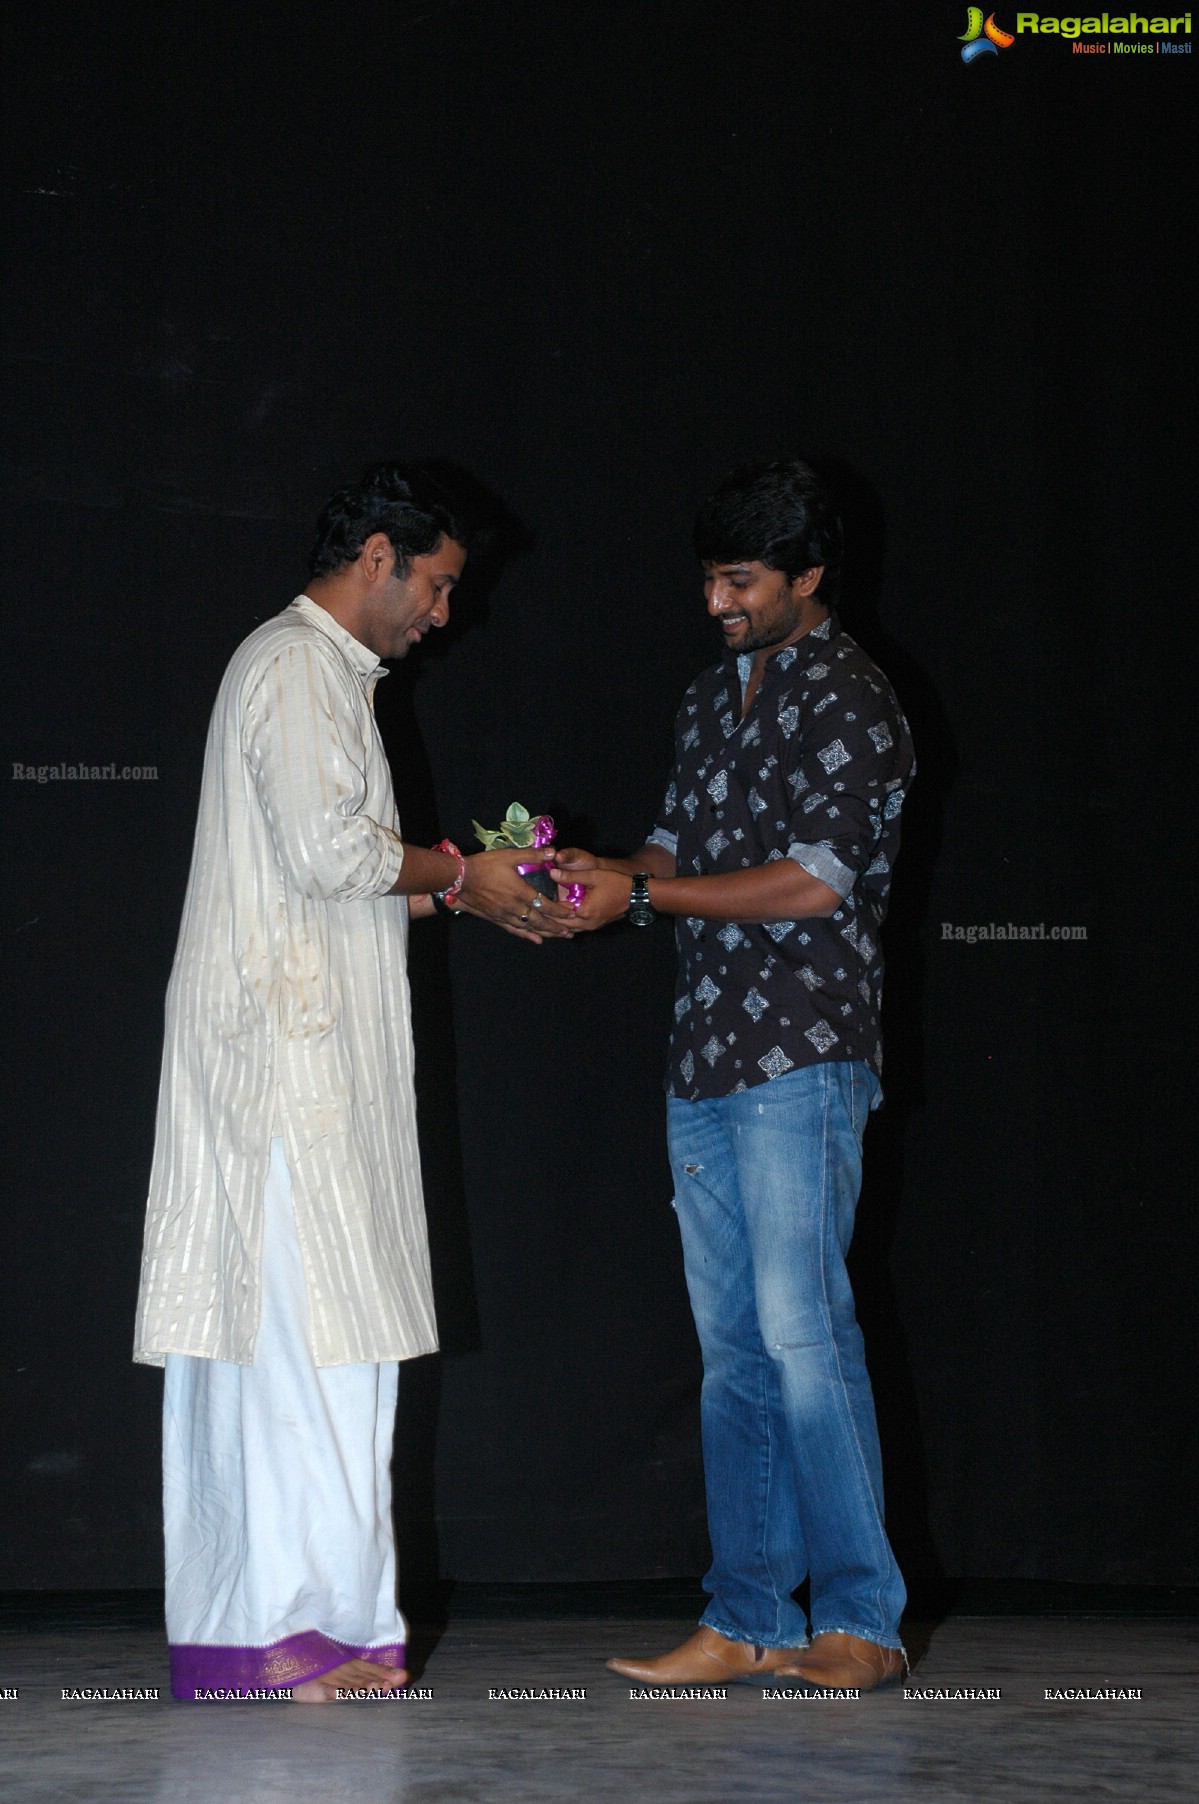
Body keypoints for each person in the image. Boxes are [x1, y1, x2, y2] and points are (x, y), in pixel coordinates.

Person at [134, 463, 576, 1703]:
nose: (443, 614)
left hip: (312, 1070)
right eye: (435, 585)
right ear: (378, 555)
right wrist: (461, 877)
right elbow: (332, 853)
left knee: (332, 1357)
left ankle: (314, 1632)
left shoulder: (327, 679)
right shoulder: (288, 665)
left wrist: (472, 887)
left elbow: (339, 860)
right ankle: (269, 1640)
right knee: (287, 1356)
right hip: (277, 1078)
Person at [551, 459, 914, 1692]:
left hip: (802, 1055)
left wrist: (646, 892)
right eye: (707, 575)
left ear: (806, 578)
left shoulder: (854, 699)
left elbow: (816, 878)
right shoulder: (709, 699)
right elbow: (674, 848)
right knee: (733, 1352)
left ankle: (860, 1615)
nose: (715, 598)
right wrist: (599, 876)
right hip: (702, 1051)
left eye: (740, 578)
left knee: (806, 1334)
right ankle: (745, 1614)